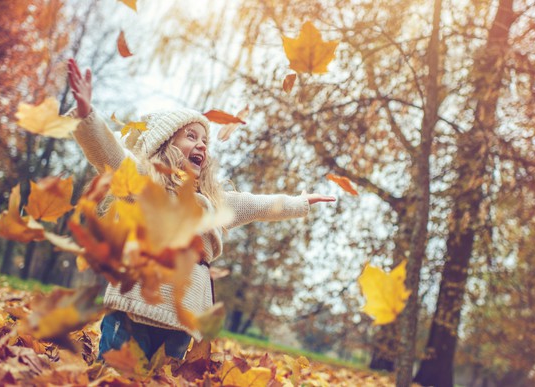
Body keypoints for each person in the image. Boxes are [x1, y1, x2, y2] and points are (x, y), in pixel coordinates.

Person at [67, 58, 336, 361]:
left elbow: (260, 205)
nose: (202, 145)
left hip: (183, 318)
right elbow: (110, 155)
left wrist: (299, 202)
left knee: (165, 381)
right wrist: (86, 113)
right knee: (116, 377)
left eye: (205, 141)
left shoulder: (214, 202)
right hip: (134, 309)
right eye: (191, 136)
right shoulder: (146, 185)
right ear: (165, 145)